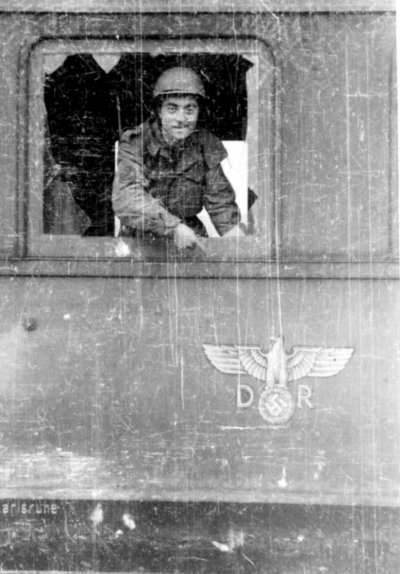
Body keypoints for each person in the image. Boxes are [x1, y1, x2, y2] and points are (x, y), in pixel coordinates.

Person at [112, 67, 244, 250]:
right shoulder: (136, 142)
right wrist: (173, 227)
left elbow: (221, 204)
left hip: (190, 239)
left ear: (199, 111)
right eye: (172, 109)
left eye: (190, 109)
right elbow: (127, 197)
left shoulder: (204, 144)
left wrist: (241, 245)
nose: (181, 118)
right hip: (140, 241)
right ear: (159, 111)